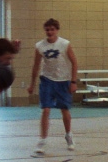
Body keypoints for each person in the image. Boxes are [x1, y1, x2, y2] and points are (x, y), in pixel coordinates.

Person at [28, 18, 79, 154]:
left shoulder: (65, 44)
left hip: (63, 80)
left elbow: (74, 63)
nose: (50, 32)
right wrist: (32, 84)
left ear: (57, 30)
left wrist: (73, 82)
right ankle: (42, 140)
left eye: (52, 29)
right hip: (47, 80)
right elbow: (36, 65)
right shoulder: (40, 46)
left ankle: (69, 135)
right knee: (45, 109)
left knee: (64, 110)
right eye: (47, 29)